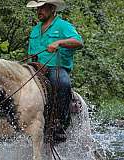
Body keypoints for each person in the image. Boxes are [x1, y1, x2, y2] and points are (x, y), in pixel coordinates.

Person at [26, 0, 83, 135]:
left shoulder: (63, 26)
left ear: (52, 8)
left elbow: (78, 42)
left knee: (62, 83)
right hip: (34, 68)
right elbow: (30, 53)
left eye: (42, 8)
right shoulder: (35, 30)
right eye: (37, 8)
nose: (38, 11)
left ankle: (59, 124)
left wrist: (59, 42)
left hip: (55, 68)